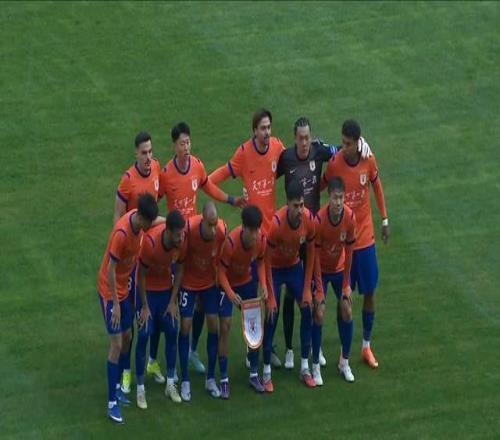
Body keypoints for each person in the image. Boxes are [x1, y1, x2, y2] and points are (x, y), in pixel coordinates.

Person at [151, 122, 244, 380]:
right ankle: (155, 358)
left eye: (188, 142)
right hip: (175, 246)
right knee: (171, 301)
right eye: (182, 143)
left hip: (196, 242)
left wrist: (230, 199)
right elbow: (154, 201)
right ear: (174, 146)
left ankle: (191, 350)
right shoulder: (166, 174)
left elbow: (207, 186)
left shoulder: (197, 166)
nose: (186, 147)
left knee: (202, 300)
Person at [276, 117, 371, 369]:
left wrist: (363, 144)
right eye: (300, 138)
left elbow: (342, 149)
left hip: (313, 232)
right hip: (291, 230)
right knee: (290, 295)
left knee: (309, 297)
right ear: (294, 138)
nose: (304, 142)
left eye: (307, 137)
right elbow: (267, 173)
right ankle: (289, 349)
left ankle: (311, 352)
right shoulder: (286, 158)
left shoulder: (319, 151)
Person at [322, 119, 390, 368]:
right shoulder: (335, 163)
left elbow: (377, 186)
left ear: (357, 142)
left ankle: (366, 346)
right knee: (343, 296)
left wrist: (384, 219)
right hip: (342, 243)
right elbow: (322, 185)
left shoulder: (368, 159)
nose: (344, 147)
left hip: (365, 237)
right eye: (342, 142)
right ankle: (344, 351)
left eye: (348, 143)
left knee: (369, 291)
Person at [97, 193, 158, 423]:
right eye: (149, 222)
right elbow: (110, 270)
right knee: (116, 344)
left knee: (128, 335)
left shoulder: (140, 223)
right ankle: (111, 403)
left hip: (124, 289)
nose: (150, 226)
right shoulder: (122, 234)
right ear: (141, 217)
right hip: (109, 291)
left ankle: (118, 389)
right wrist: (115, 304)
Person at [113, 131, 161, 393]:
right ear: (135, 153)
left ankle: (150, 362)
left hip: (150, 255)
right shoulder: (127, 181)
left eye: (150, 151)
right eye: (144, 152)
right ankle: (126, 371)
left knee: (151, 310)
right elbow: (118, 220)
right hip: (131, 260)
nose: (148, 157)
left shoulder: (157, 170)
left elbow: (153, 211)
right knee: (129, 321)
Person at [263, 180, 316, 391]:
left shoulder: (308, 220)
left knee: (307, 309)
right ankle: (266, 371)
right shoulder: (276, 224)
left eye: (302, 205)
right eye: (296, 206)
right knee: (271, 313)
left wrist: (307, 289)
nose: (300, 210)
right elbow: (266, 260)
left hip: (294, 267)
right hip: (275, 269)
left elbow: (311, 254)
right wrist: (270, 295)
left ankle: (304, 367)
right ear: (288, 204)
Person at [217, 205, 276, 394]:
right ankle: (224, 378)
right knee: (225, 325)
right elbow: (221, 272)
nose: (255, 234)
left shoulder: (261, 240)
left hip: (246, 282)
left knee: (254, 325)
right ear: (243, 228)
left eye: (257, 229)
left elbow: (260, 262)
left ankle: (253, 374)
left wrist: (264, 285)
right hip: (228, 285)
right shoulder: (231, 243)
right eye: (252, 230)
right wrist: (230, 294)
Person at [177, 202, 229, 401]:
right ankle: (185, 380)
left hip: (208, 282)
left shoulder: (221, 231)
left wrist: (216, 274)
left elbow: (221, 255)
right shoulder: (189, 230)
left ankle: (210, 378)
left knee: (214, 324)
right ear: (203, 220)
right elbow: (180, 261)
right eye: (210, 225)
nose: (213, 229)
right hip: (189, 282)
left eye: (215, 224)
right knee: (185, 325)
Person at [134, 210, 186, 409]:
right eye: (178, 234)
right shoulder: (150, 243)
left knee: (172, 330)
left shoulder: (180, 243)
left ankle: (170, 384)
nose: (181, 238)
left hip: (165, 292)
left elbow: (179, 271)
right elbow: (141, 276)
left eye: (182, 234)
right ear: (168, 231)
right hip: (148, 292)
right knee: (144, 333)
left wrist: (173, 302)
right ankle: (140, 389)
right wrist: (144, 306)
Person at [313, 177, 356, 386]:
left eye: (341, 198)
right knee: (319, 312)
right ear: (328, 198)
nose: (338, 202)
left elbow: (349, 252)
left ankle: (344, 362)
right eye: (335, 198)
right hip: (321, 270)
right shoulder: (319, 221)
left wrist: (346, 285)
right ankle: (315, 362)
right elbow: (315, 256)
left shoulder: (350, 218)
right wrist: (319, 289)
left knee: (347, 310)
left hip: (339, 270)